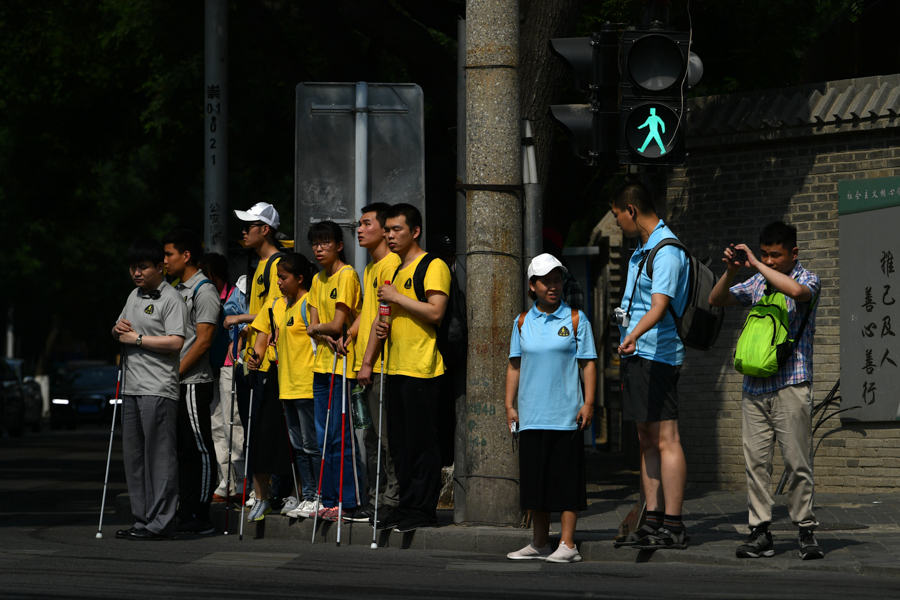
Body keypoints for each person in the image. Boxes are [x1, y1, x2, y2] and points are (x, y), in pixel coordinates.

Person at [709, 221, 824, 561]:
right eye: (764, 254)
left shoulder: (808, 279)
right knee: (756, 464)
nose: (769, 261)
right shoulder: (757, 282)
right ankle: (760, 532)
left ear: (794, 253)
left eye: (776, 255)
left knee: (797, 463)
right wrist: (732, 271)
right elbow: (716, 299)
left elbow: (798, 294)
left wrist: (757, 265)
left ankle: (805, 530)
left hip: (792, 384)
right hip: (754, 387)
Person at [610, 181, 690, 550]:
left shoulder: (666, 250)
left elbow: (659, 307)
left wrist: (633, 335)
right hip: (638, 355)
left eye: (617, 215)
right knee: (646, 440)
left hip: (658, 355)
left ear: (631, 210)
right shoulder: (643, 250)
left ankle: (673, 524)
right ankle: (653, 518)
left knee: (666, 438)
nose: (617, 222)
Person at [504, 254, 598, 563]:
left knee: (567, 482)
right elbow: (514, 365)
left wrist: (588, 403)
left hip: (566, 415)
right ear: (533, 286)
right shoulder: (522, 322)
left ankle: (568, 545)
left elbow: (588, 363)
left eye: (557, 280)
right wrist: (509, 405)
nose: (553, 286)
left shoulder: (576, 319)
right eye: (546, 282)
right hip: (532, 416)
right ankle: (540, 542)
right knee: (536, 483)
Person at [370, 204, 449, 533]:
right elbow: (390, 313)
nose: (389, 235)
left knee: (421, 443)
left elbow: (435, 312)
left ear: (415, 231)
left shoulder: (433, 265)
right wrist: (382, 327)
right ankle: (405, 505)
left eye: (396, 229)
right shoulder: (395, 270)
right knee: (399, 445)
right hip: (394, 367)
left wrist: (397, 297)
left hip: (422, 368)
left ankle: (423, 509)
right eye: (387, 230)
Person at [112, 238, 187, 541]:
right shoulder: (133, 295)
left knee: (160, 457)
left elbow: (176, 341)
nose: (137, 273)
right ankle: (142, 519)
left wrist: (139, 339)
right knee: (134, 458)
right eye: (133, 267)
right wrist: (117, 329)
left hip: (158, 388)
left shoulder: (172, 299)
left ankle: (161, 522)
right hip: (131, 387)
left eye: (143, 267)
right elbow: (120, 327)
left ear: (160, 267)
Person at [162, 229, 221, 535]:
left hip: (193, 382)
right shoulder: (175, 289)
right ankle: (185, 512)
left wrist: (175, 374)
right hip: (177, 383)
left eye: (169, 254)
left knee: (199, 448)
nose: (164, 260)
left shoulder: (203, 289)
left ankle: (201, 514)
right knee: (183, 450)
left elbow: (204, 341)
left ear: (186, 256)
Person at [227, 202, 285, 508]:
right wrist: (243, 334)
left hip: (268, 359)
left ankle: (269, 492)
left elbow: (274, 310)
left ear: (265, 230)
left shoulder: (277, 264)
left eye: (249, 226)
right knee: (252, 428)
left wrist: (240, 319)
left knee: (266, 429)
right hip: (251, 357)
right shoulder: (258, 264)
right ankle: (259, 491)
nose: (244, 232)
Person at [307, 220, 364, 521]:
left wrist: (322, 330)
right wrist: (322, 330)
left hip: (342, 364)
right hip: (321, 366)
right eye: (315, 243)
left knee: (339, 437)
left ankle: (348, 501)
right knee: (323, 437)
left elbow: (337, 323)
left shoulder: (347, 275)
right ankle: (328, 499)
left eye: (326, 242)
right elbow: (313, 326)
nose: (319, 248)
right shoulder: (318, 279)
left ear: (339, 245)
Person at [352, 202, 402, 523]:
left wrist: (368, 362)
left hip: (380, 365)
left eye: (366, 223)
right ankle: (374, 496)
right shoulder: (371, 267)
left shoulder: (391, 264)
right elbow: (368, 312)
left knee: (385, 437)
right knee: (370, 437)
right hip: (364, 363)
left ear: (384, 230)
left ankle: (390, 500)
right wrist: (349, 334)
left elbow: (383, 319)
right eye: (359, 224)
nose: (359, 229)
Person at [197, 252, 246, 504]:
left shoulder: (236, 295)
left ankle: (242, 481)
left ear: (214, 276)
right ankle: (225, 480)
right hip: (208, 366)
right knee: (216, 426)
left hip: (229, 366)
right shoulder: (201, 296)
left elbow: (248, 325)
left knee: (232, 423)